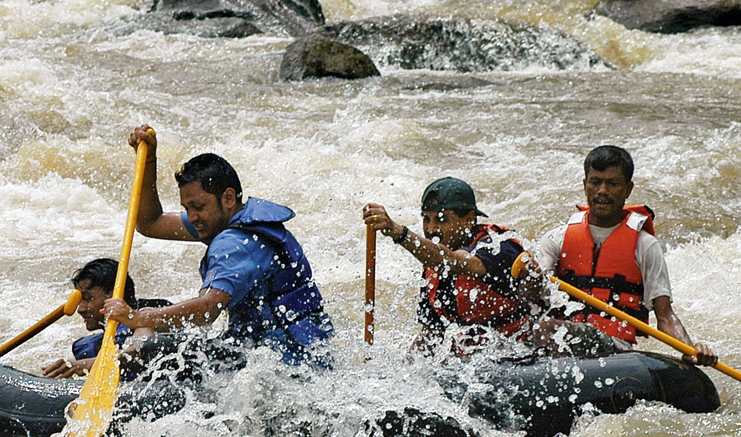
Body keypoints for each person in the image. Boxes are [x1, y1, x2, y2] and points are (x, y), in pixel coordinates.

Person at [102, 125, 334, 364]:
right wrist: (149, 160)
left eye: (199, 207)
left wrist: (139, 318)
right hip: (295, 352)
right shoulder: (235, 221)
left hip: (282, 363)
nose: (191, 217)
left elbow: (207, 309)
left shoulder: (234, 244)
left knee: (155, 347)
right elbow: (150, 223)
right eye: (187, 209)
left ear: (229, 198)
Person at [527, 145, 717, 366]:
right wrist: (528, 278)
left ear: (628, 189)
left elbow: (664, 315)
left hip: (613, 348)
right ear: (585, 185)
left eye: (613, 184)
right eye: (595, 182)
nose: (602, 191)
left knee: (547, 329)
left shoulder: (645, 246)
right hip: (560, 341)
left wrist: (690, 348)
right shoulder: (556, 239)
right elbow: (535, 298)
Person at [362, 177, 539, 355]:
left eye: (442, 220)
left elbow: (455, 262)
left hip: (522, 351)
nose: (431, 229)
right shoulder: (432, 261)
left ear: (469, 220)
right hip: (474, 359)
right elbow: (432, 334)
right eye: (426, 219)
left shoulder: (498, 245)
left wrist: (398, 232)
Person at [40, 258, 166, 378]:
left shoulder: (146, 316)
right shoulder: (90, 346)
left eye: (88, 299)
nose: (81, 309)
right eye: (79, 301)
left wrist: (87, 365)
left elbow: (140, 349)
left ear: (113, 296)